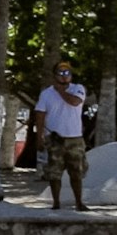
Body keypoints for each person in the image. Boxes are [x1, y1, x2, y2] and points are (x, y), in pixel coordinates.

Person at [31, 63, 92, 210]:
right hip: (54, 138)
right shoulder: (46, 94)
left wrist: (61, 91)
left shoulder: (78, 89)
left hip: (75, 138)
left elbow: (74, 102)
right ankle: (56, 202)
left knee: (76, 172)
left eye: (67, 73)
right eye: (60, 73)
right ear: (54, 75)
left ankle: (79, 202)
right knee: (54, 173)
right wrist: (39, 137)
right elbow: (40, 115)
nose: (64, 77)